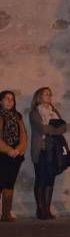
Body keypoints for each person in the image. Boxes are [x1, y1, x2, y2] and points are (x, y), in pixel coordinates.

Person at [29, 87, 69, 220]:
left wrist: (52, 129)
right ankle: (40, 210)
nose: (49, 96)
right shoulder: (35, 112)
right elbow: (42, 128)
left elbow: (64, 127)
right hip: (41, 150)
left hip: (53, 150)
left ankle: (47, 209)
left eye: (50, 94)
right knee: (41, 179)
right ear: (39, 97)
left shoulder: (54, 111)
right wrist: (54, 128)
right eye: (46, 94)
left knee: (50, 180)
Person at [0, 91, 27, 222]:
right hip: (2, 154)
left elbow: (24, 135)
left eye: (12, 99)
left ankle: (6, 214)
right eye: (7, 99)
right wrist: (8, 149)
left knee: (9, 183)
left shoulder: (17, 116)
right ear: (1, 101)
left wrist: (19, 149)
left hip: (15, 155)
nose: (10, 101)